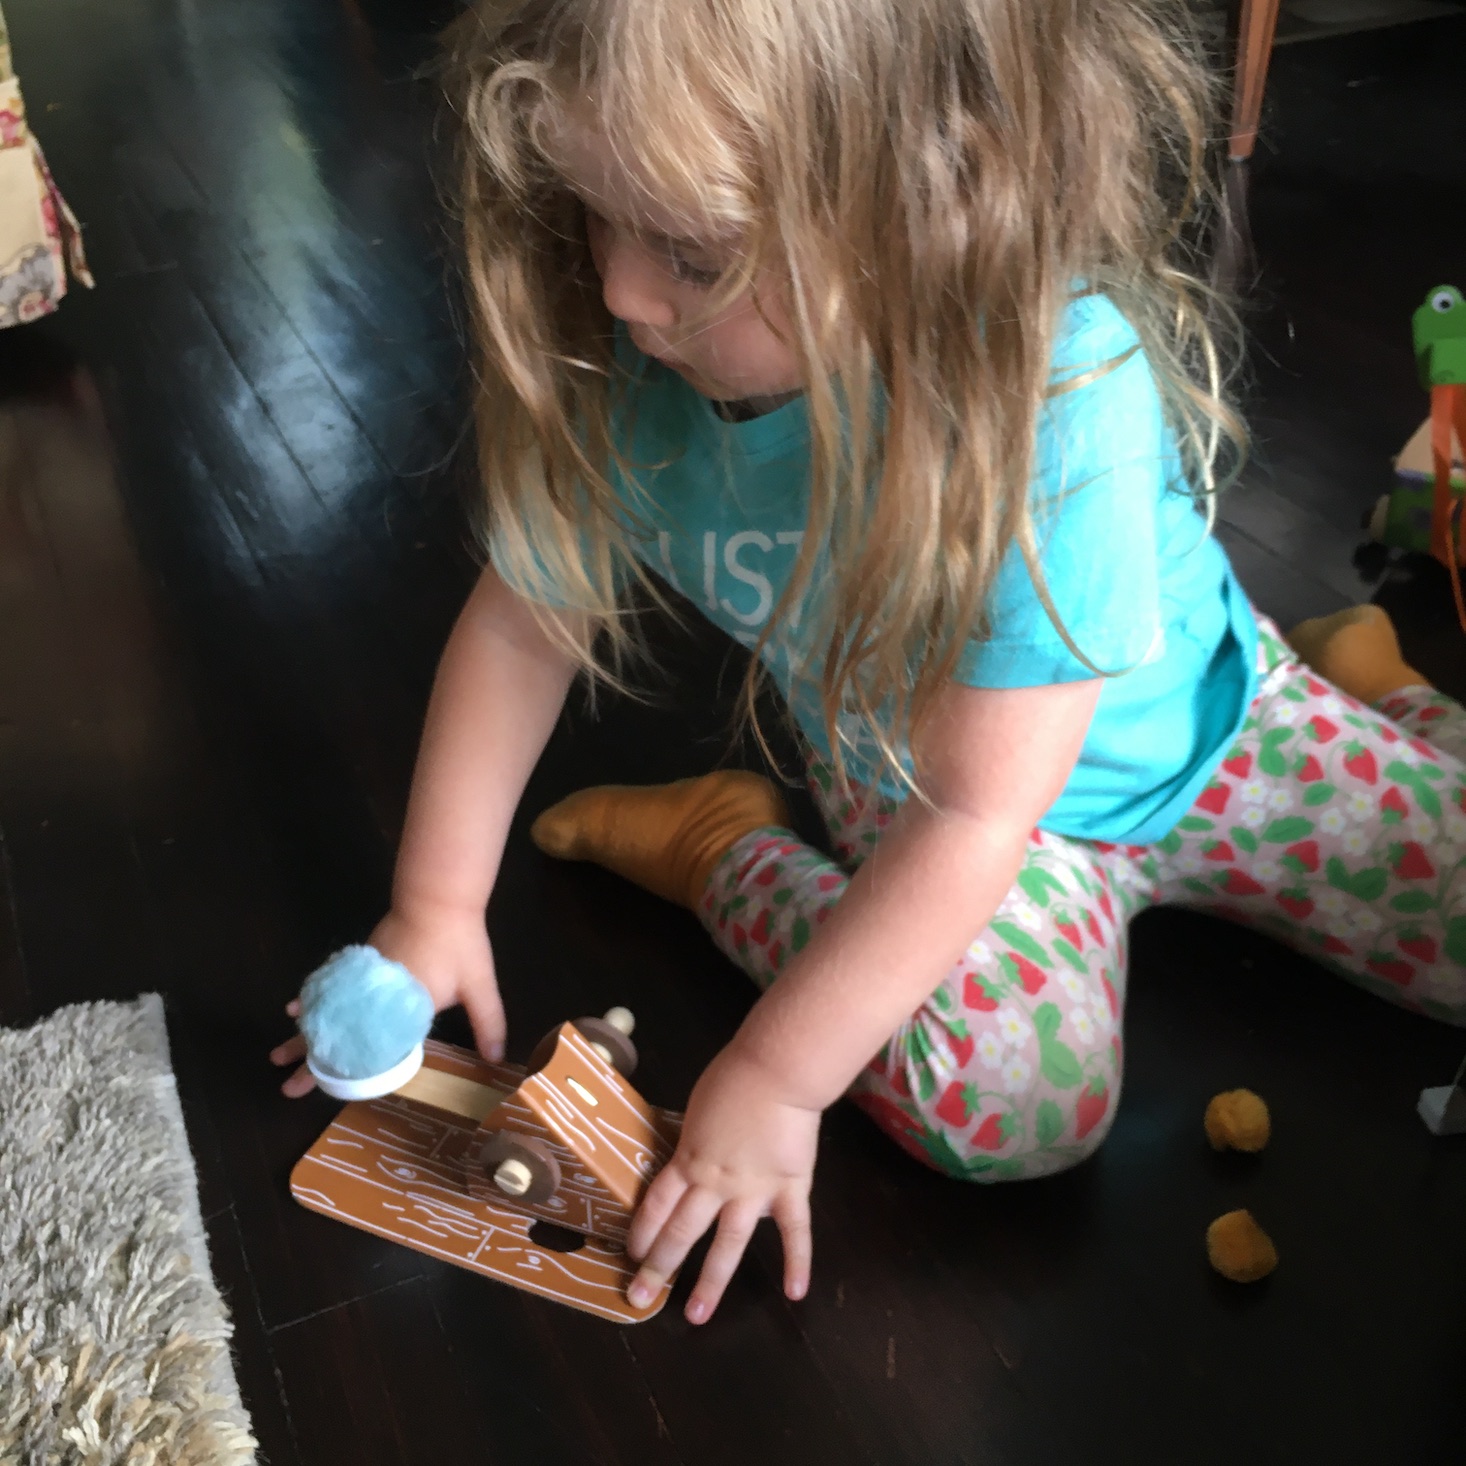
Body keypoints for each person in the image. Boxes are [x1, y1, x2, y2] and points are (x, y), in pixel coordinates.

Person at [271, 0, 1466, 1324]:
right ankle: (725, 844)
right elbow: (523, 618)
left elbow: (987, 803)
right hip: (921, 794)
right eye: (595, 213)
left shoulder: (1065, 390)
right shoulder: (638, 355)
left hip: (1210, 735)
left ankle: (1373, 683)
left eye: (688, 247)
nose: (614, 287)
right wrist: (434, 907)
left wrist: (775, 1075)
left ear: (936, 203)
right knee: (1005, 1105)